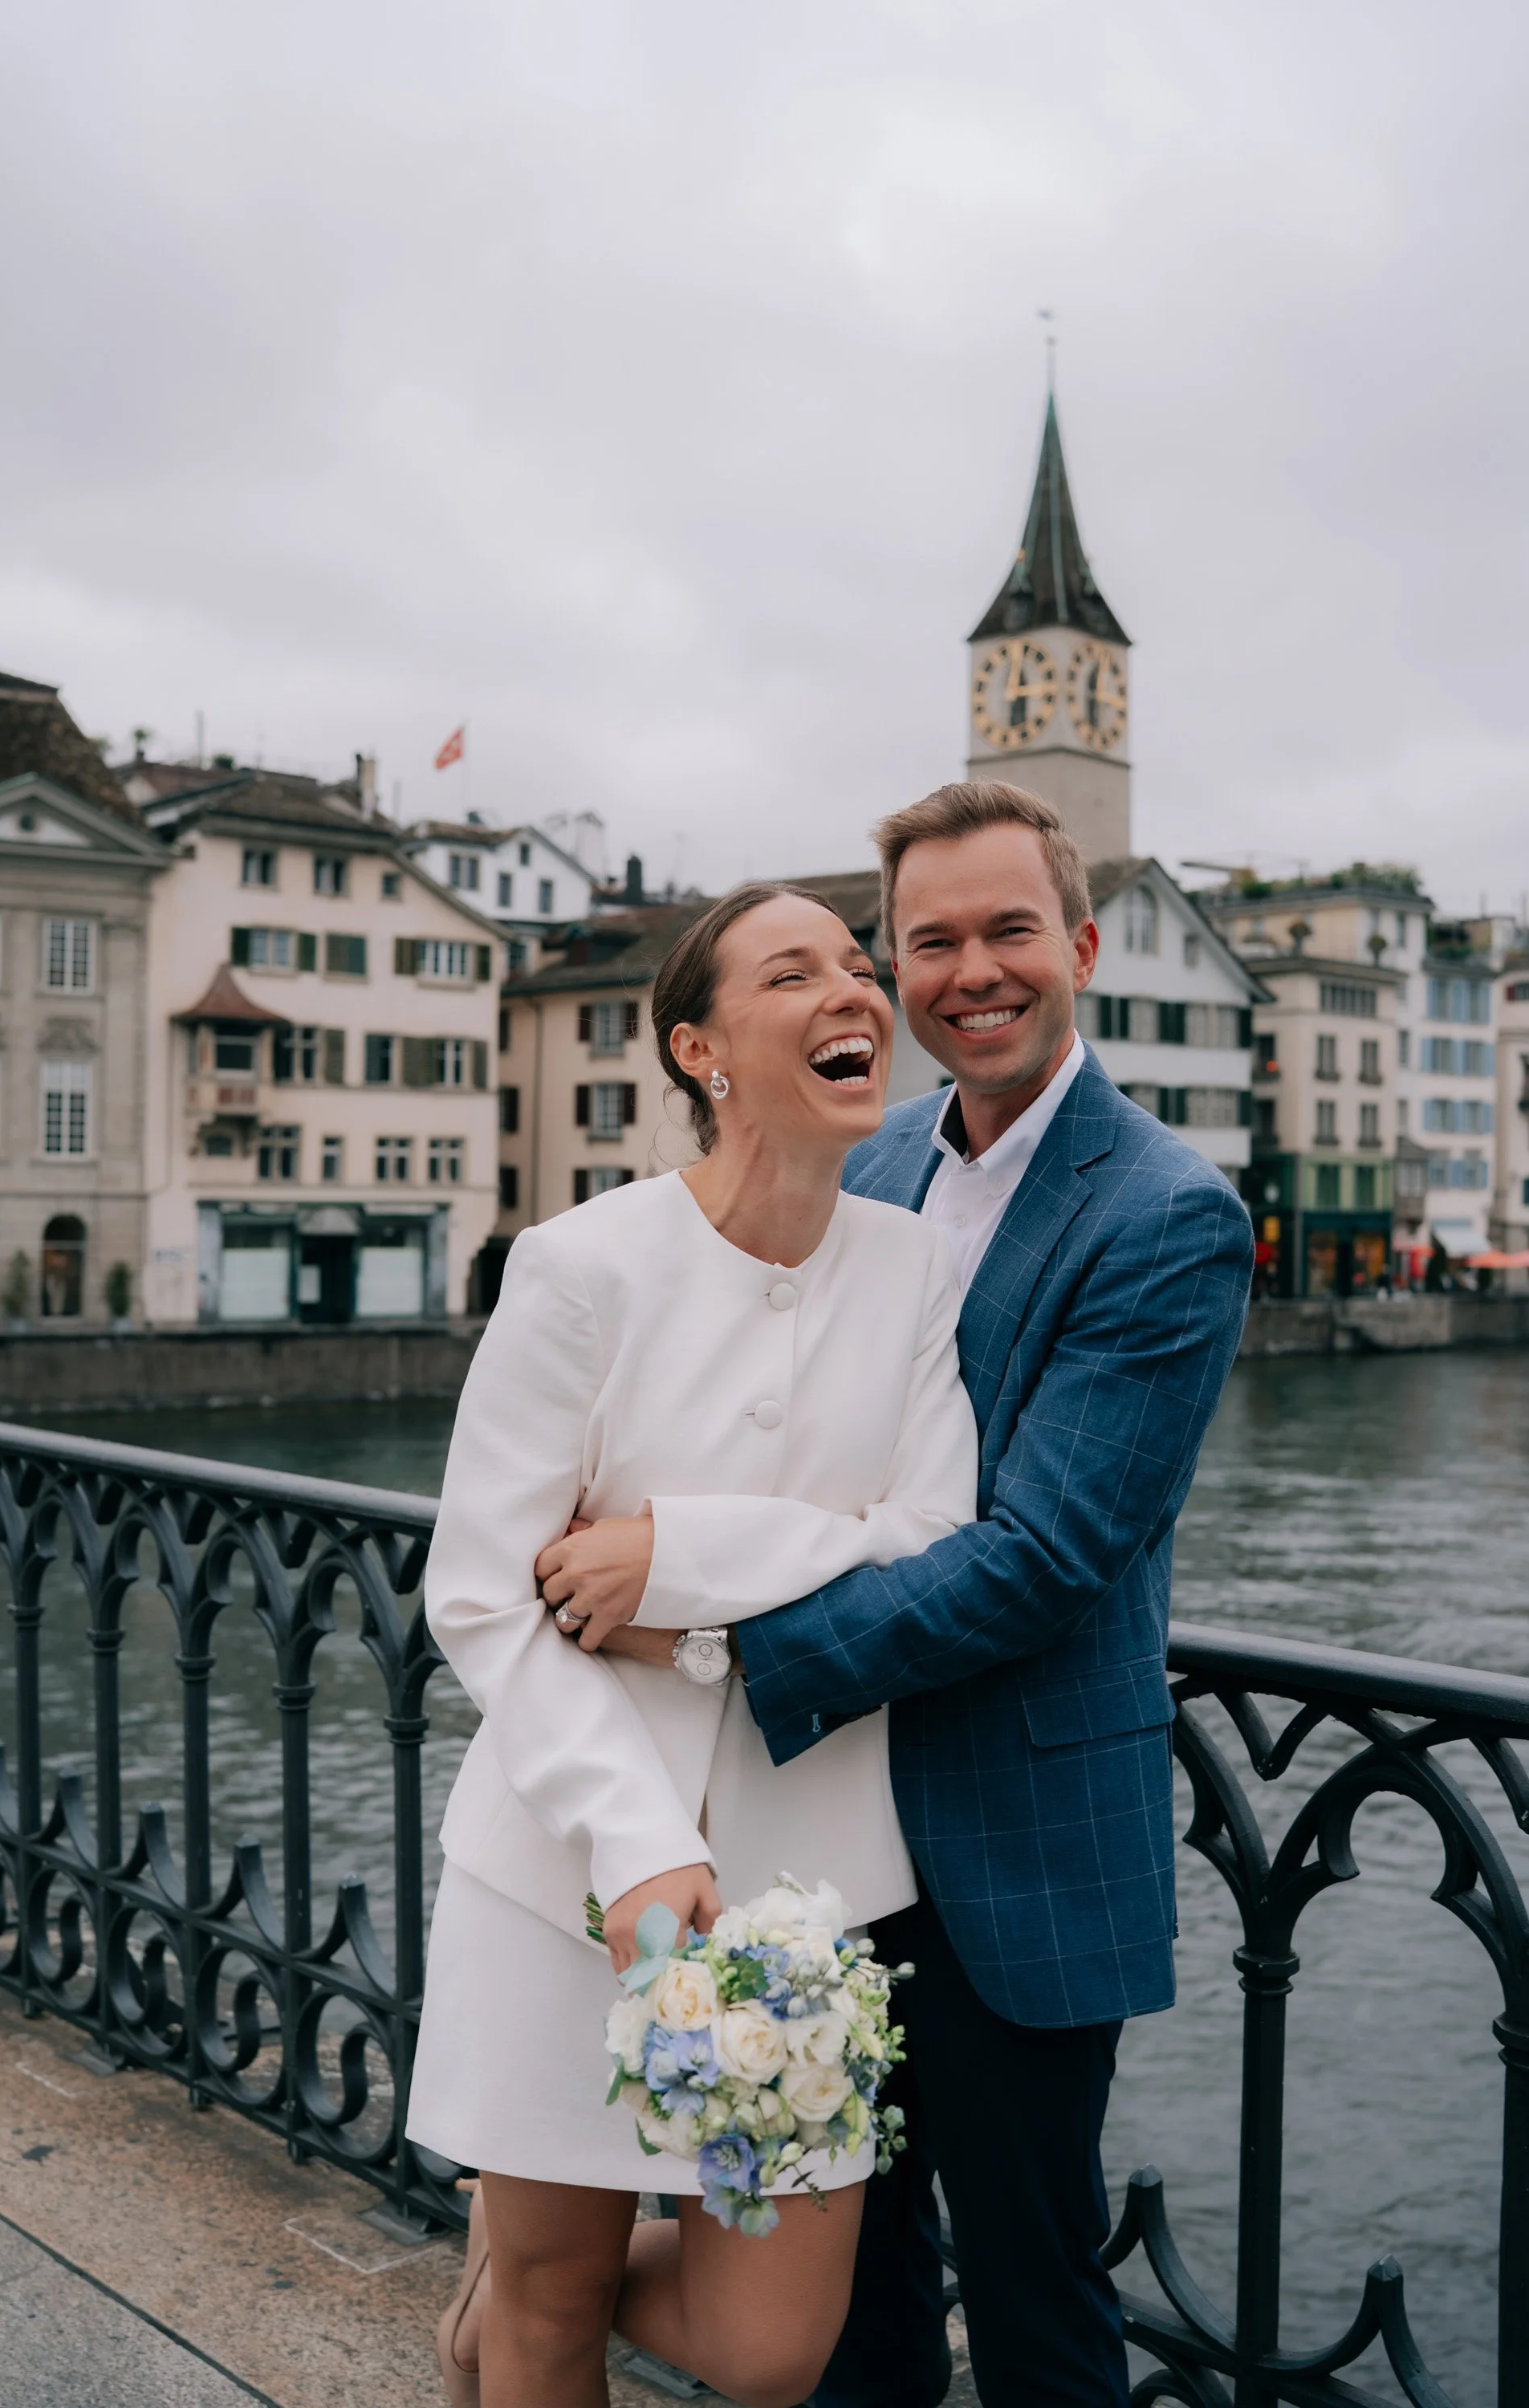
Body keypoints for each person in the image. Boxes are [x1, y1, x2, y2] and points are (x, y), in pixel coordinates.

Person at [567, 783, 1256, 2406]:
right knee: (838, 2305)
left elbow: (1043, 1558)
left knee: (1035, 2307)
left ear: (1078, 945)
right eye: (929, 940)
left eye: (1009, 929)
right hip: (818, 1840)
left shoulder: (1167, 1212)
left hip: (1016, 1853)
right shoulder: (864, 1159)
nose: (971, 972)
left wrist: (716, 1631)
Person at [409, 881, 979, 2408]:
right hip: (565, 1877)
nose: (854, 992)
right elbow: (479, 1588)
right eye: (795, 972)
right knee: (554, 2306)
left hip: (809, 1902)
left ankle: (508, 2283)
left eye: (861, 966)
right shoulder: (583, 1265)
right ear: (701, 1049)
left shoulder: (915, 1267)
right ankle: (519, 2285)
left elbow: (929, 1538)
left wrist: (679, 1558)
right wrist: (634, 1842)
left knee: (769, 2348)